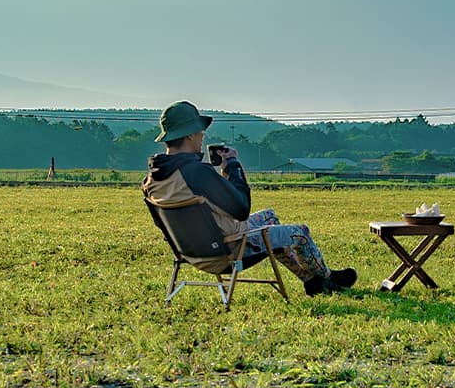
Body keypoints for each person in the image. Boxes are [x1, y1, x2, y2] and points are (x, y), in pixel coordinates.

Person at [142, 100, 357, 295]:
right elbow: (241, 209)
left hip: (191, 254)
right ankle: (327, 279)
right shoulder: (197, 173)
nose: (202, 136)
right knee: (301, 233)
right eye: (200, 132)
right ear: (190, 134)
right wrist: (232, 166)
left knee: (270, 217)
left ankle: (311, 280)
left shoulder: (151, 181)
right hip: (229, 251)